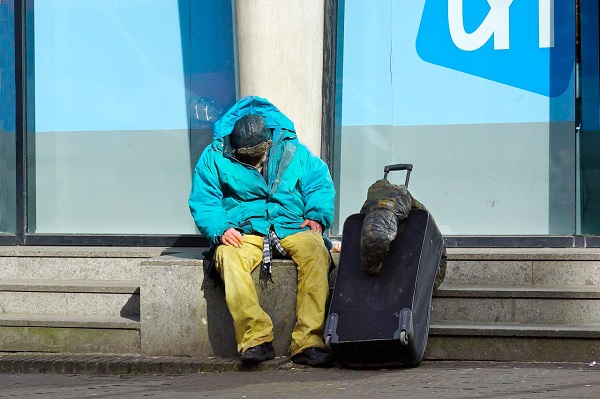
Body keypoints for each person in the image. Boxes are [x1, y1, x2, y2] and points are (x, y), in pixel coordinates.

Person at [188, 96, 336, 368]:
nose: (257, 159)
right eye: (249, 155)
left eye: (260, 153)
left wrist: (316, 215)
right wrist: (220, 229)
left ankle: (308, 341)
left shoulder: (294, 149)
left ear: (270, 140)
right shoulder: (214, 155)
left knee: (316, 251)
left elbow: (319, 183)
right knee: (228, 258)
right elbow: (205, 199)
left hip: (291, 222)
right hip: (245, 227)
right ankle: (255, 339)